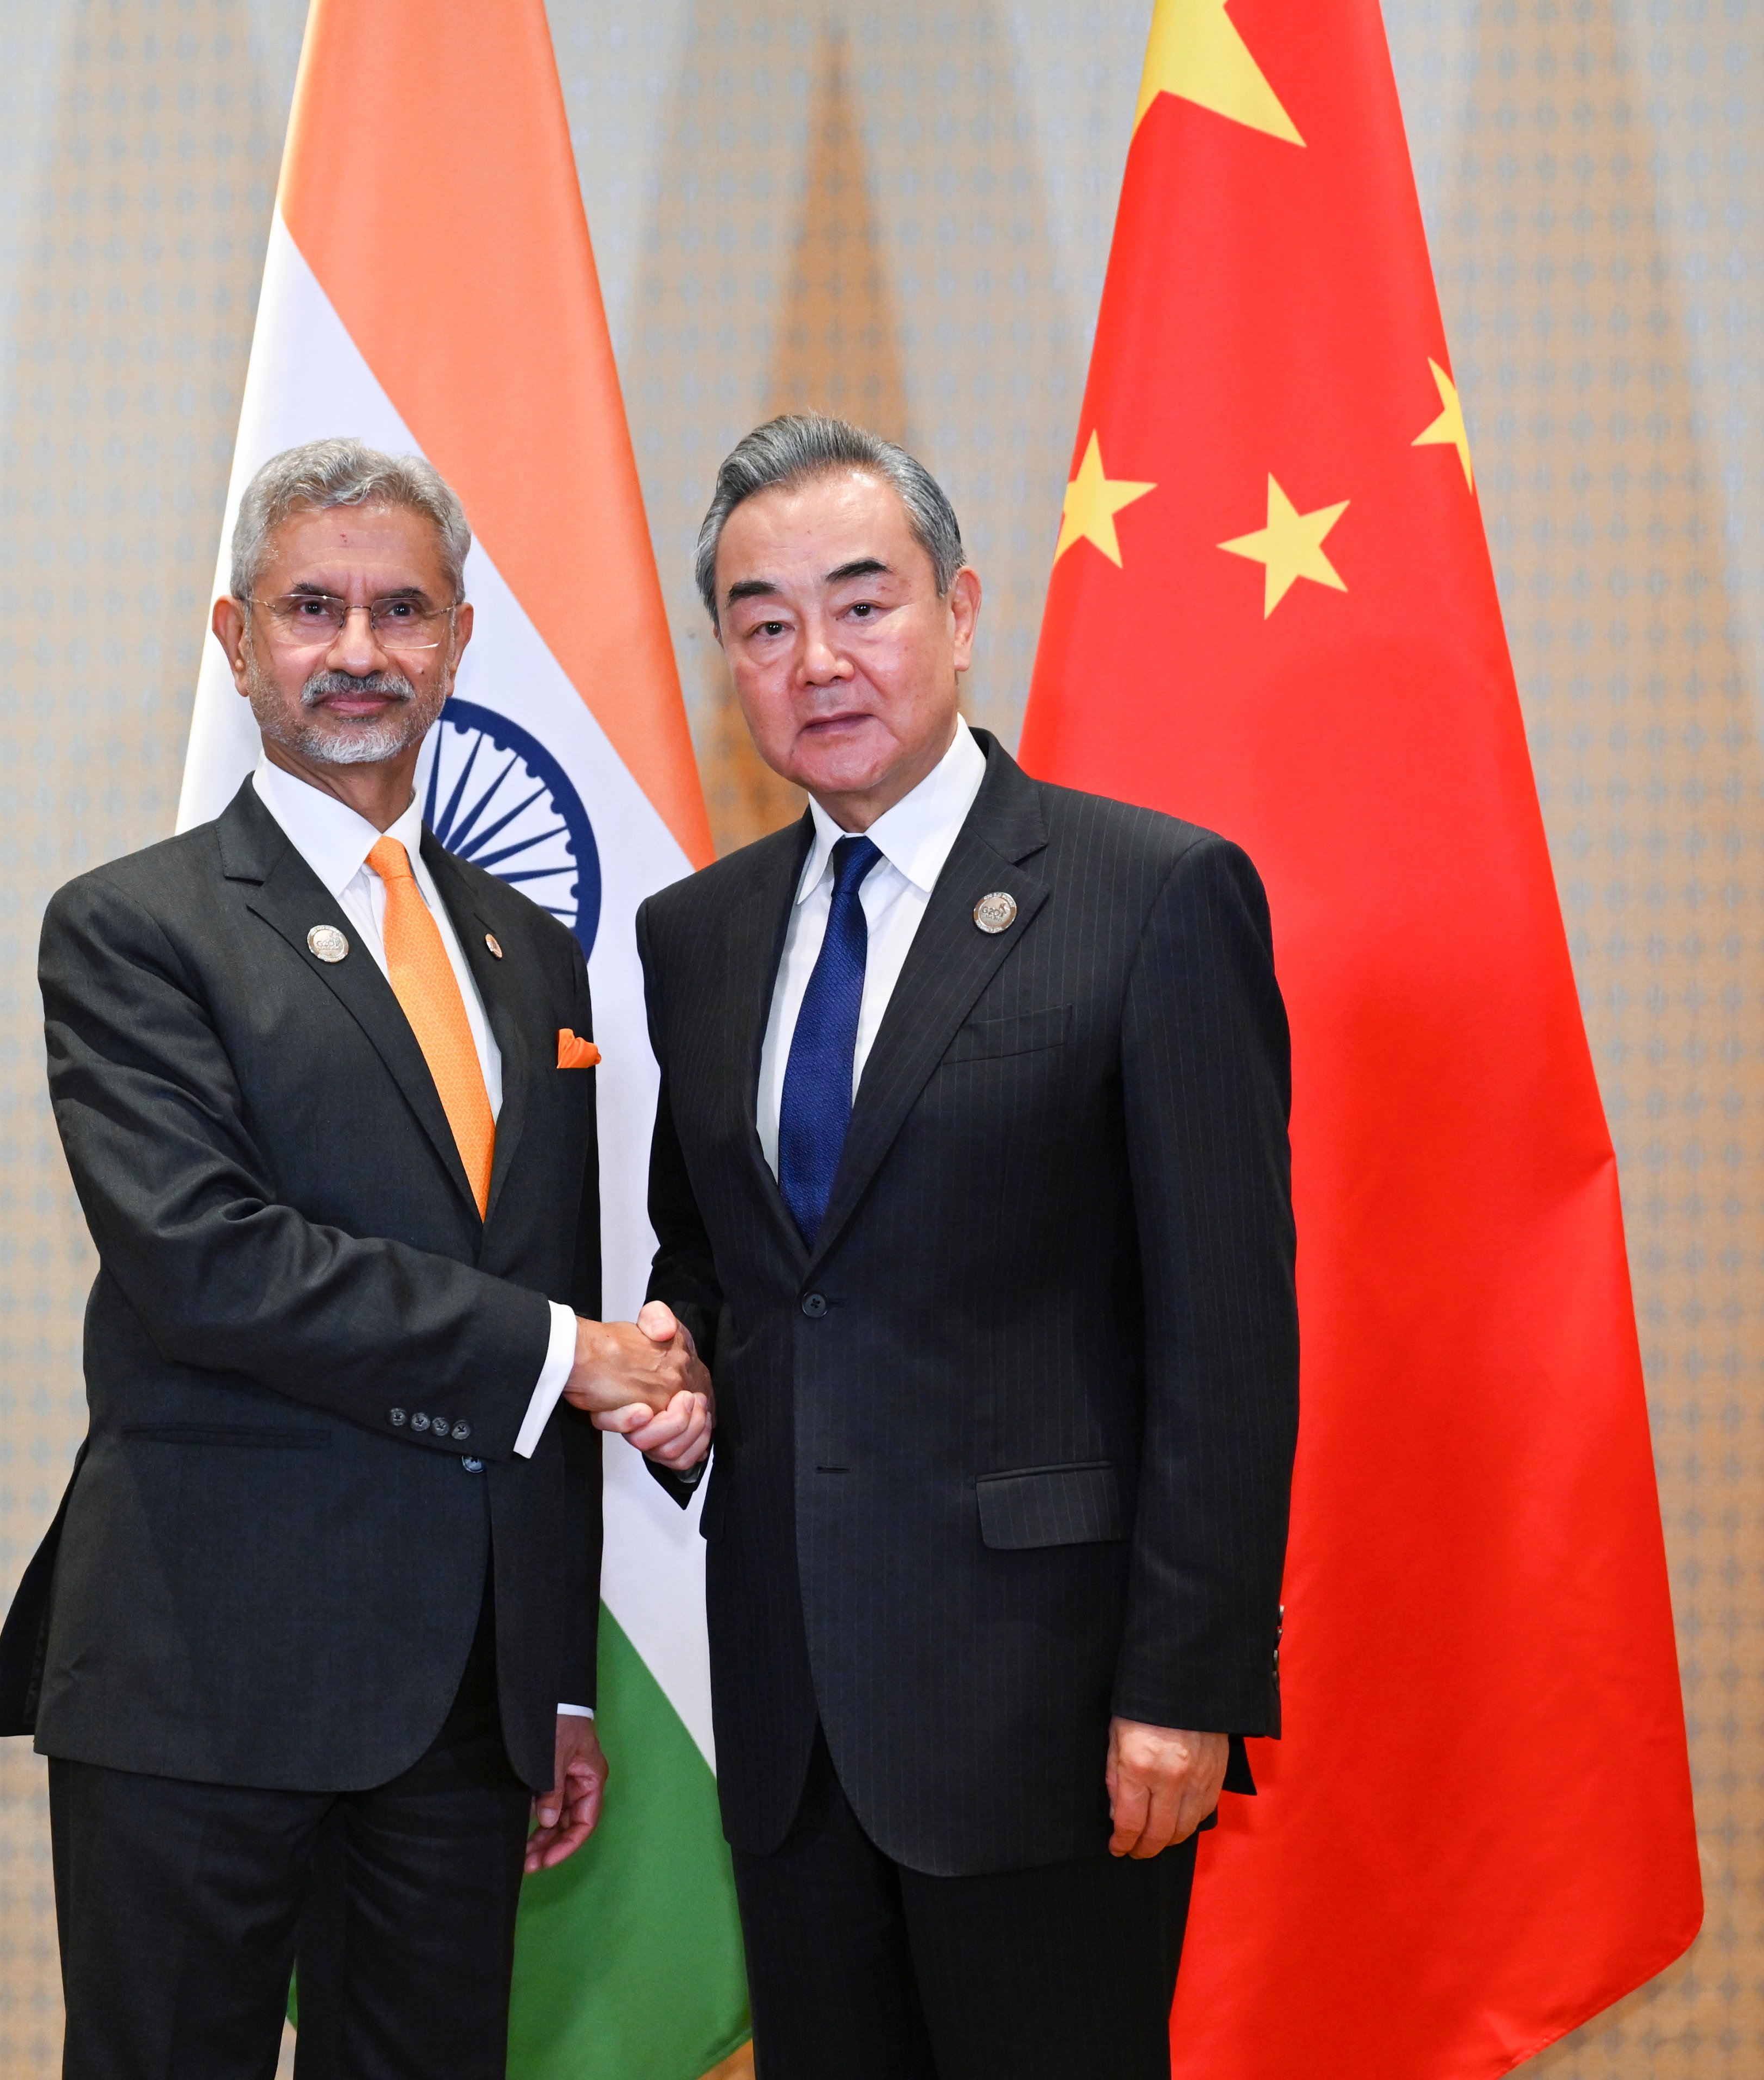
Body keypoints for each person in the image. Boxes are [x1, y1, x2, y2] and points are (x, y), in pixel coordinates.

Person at [0, 436, 710, 2080]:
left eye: (401, 610)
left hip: (459, 1715)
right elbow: (206, 1262)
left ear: (459, 642)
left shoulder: (532, 955)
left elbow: (544, 1256)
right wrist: (563, 1353)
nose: (360, 651)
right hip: (202, 1681)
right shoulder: (134, 927)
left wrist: (557, 1688)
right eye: (313, 609)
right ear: (236, 641)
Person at [626, 415, 1296, 2079]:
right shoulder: (695, 937)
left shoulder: (1149, 899)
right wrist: (677, 1356)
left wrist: (1185, 1683)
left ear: (964, 609)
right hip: (791, 1723)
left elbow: (1230, 1337)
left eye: (864, 604)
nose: (817, 660)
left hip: (1053, 1714)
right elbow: (717, 1253)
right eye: (763, 622)